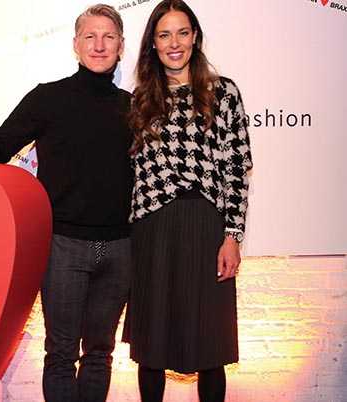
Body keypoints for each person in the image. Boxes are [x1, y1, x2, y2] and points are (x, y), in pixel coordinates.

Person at [0, 5, 133, 401]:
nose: (99, 45)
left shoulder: (136, 107)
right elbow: (4, 139)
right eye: (90, 37)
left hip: (121, 249)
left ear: (121, 47)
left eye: (108, 37)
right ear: (76, 46)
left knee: (101, 353)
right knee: (61, 353)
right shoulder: (49, 98)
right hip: (64, 247)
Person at [121, 1, 253, 401]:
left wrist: (233, 236)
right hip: (151, 228)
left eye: (182, 32)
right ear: (153, 44)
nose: (174, 42)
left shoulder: (223, 92)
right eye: (164, 34)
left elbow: (236, 168)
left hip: (205, 224)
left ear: (195, 37)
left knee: (210, 344)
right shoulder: (139, 99)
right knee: (152, 345)